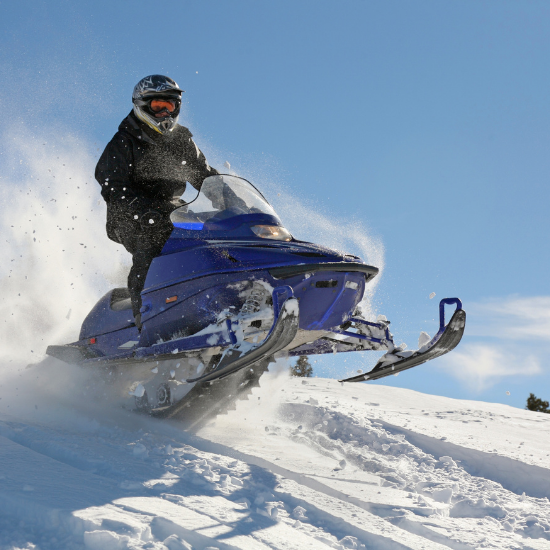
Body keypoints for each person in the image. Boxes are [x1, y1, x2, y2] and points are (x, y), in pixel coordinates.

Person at [95, 75, 218, 329]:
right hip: (127, 213)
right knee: (152, 240)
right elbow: (111, 184)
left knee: (212, 236)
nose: (164, 113)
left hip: (172, 210)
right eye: (157, 107)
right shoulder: (124, 141)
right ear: (142, 105)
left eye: (169, 106)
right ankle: (145, 320)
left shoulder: (181, 140)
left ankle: (213, 302)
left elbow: (204, 175)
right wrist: (139, 210)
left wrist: (232, 199)